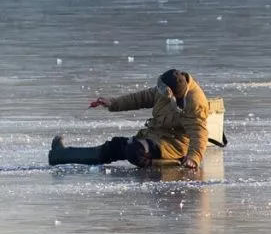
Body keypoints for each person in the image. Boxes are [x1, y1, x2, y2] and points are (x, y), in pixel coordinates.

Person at [48, 69, 209, 170]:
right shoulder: (165, 88)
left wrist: (194, 157)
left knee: (135, 151)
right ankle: (60, 155)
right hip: (154, 134)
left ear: (171, 92)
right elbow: (142, 98)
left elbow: (199, 133)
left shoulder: (195, 104)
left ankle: (168, 164)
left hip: (173, 144)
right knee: (114, 147)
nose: (158, 90)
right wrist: (114, 103)